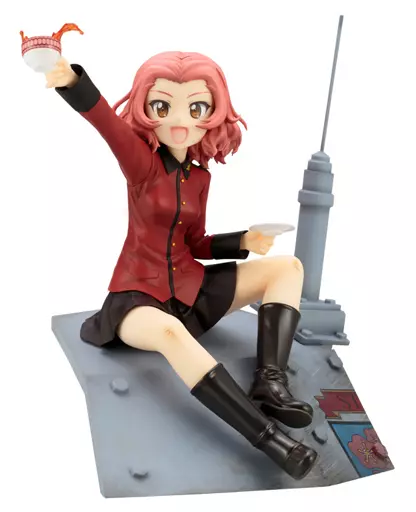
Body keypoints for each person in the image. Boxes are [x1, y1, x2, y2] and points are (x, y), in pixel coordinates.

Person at [45, 51, 318, 479]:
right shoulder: (141, 165)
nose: (178, 121)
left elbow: (195, 243)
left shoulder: (199, 178)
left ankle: (270, 383)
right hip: (138, 298)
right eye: (162, 105)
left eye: (196, 108)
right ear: (146, 110)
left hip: (191, 291)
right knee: (171, 334)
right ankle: (271, 440)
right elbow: (106, 123)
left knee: (288, 268)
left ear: (213, 115)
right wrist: (71, 80)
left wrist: (243, 241)